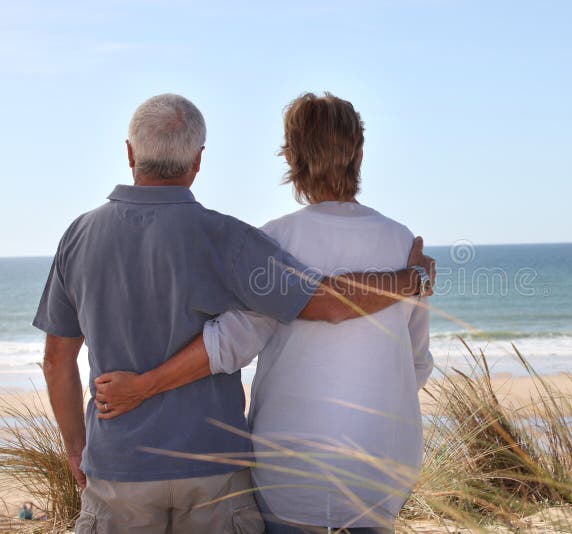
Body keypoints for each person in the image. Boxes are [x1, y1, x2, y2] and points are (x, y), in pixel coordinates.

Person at [33, 93, 435, 534]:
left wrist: (79, 444)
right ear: (198, 161)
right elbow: (401, 355)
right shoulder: (234, 238)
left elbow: (58, 360)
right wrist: (409, 279)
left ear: (129, 151)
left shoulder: (79, 236)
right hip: (242, 467)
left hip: (145, 465)